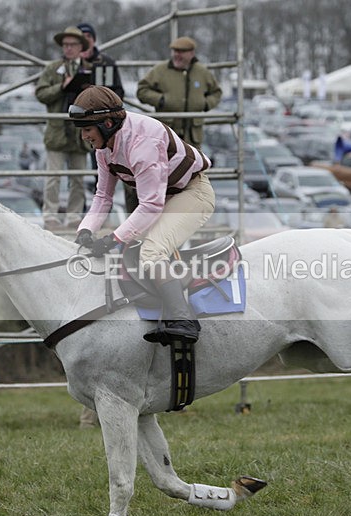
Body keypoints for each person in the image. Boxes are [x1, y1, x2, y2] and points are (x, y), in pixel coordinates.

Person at [70, 85, 215, 346]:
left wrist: (114, 238)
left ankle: (184, 321)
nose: (83, 136)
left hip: (194, 193)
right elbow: (103, 196)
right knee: (133, 253)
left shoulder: (143, 145)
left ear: (108, 123)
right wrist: (85, 231)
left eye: (87, 130)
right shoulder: (104, 147)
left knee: (151, 253)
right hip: (165, 197)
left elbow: (150, 206)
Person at [35, 26, 92, 232]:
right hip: (58, 131)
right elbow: (40, 93)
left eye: (72, 45)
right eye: (65, 45)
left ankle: (74, 216)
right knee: (53, 176)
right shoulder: (53, 69)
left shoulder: (89, 69)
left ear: (80, 47)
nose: (68, 48)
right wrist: (62, 87)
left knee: (78, 178)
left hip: (80, 132)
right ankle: (50, 215)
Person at [136, 36, 222, 149]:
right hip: (166, 133)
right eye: (175, 51)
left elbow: (216, 92)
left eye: (181, 52)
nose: (177, 55)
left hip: (192, 136)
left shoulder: (202, 72)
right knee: (165, 163)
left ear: (191, 53)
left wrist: (205, 103)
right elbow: (142, 90)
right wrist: (161, 100)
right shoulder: (160, 70)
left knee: (192, 165)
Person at [76, 23, 125, 99]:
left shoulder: (107, 63)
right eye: (82, 37)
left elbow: (118, 91)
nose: (85, 39)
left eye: (89, 36)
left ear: (94, 40)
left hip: (102, 107)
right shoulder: (68, 64)